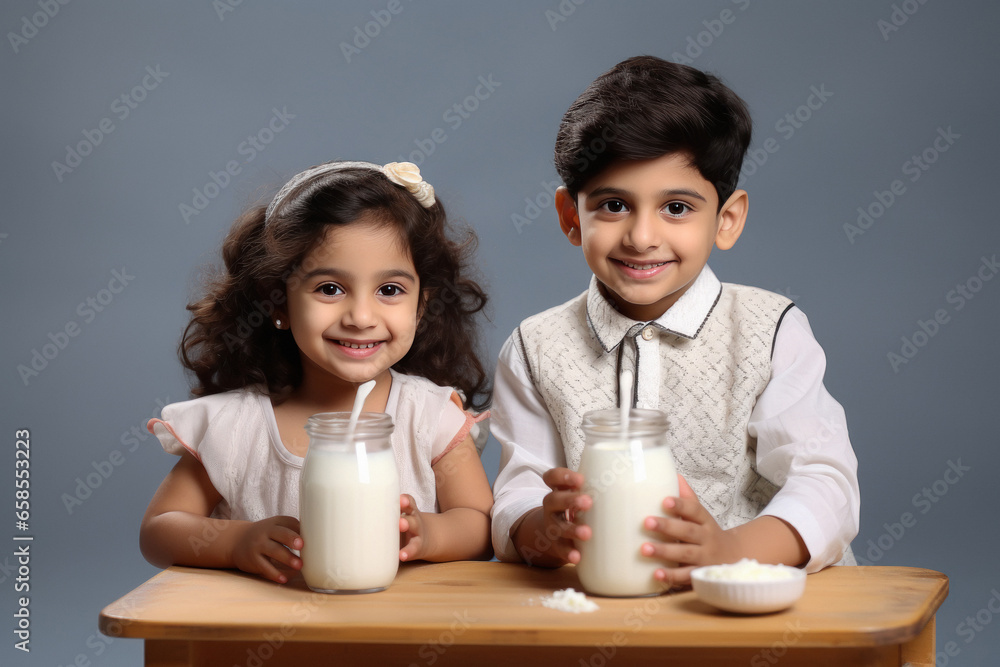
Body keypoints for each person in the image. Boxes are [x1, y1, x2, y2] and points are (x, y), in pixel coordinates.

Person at [491, 56, 859, 586]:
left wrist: (731, 550)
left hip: (753, 608)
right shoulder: (534, 347)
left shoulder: (771, 331)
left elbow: (825, 483)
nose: (642, 236)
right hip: (600, 608)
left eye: (677, 208)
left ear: (726, 219)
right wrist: (539, 529)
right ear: (572, 218)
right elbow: (520, 489)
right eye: (613, 205)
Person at [140, 160, 494, 584]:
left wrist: (430, 532)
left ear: (420, 306)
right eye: (330, 289)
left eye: (390, 290)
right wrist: (234, 542)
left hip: (399, 638)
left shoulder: (429, 417)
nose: (361, 316)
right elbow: (159, 530)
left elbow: (481, 525)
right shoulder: (237, 428)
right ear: (278, 304)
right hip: (261, 637)